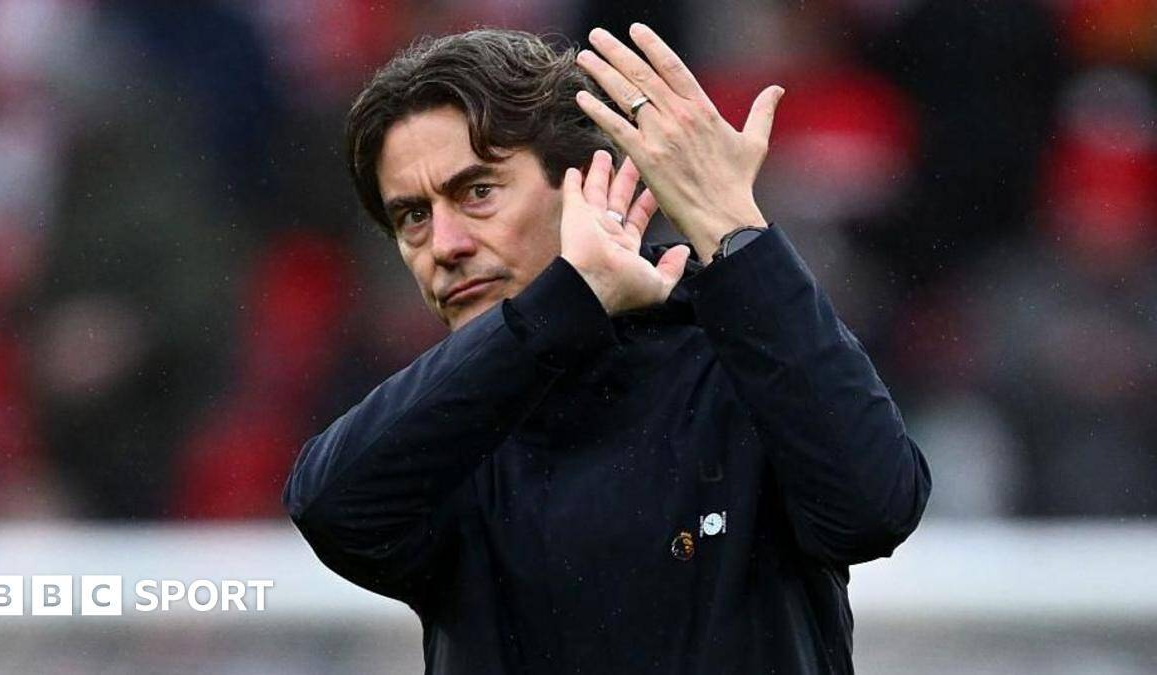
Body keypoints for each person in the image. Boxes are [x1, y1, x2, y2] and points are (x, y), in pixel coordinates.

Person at [283, 24, 930, 674]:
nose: (444, 245)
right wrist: (565, 304)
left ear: (589, 184)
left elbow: (875, 508)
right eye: (413, 216)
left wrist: (734, 227)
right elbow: (332, 509)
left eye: (477, 192)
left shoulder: (742, 359)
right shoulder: (445, 428)